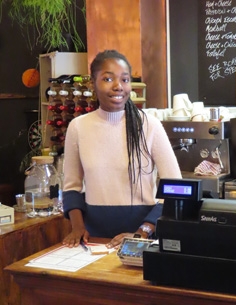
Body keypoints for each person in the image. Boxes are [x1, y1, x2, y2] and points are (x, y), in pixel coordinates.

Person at [62, 49, 181, 248]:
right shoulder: (78, 126)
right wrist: (77, 227)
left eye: (125, 80)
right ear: (93, 83)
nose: (118, 86)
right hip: (94, 240)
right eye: (108, 79)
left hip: (142, 237)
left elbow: (176, 189)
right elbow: (71, 187)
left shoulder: (149, 125)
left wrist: (143, 231)